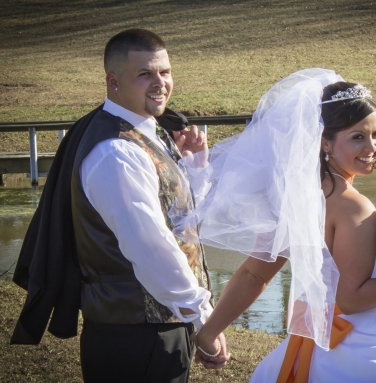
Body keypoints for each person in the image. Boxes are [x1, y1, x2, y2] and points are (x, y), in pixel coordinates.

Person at [184, 69, 376, 381]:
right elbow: (350, 299)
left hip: (308, 346)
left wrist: (209, 333)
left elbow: (254, 274)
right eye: (357, 137)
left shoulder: (298, 200)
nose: (372, 147)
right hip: (364, 348)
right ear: (324, 142)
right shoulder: (354, 208)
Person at [11, 28, 228, 382]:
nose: (160, 83)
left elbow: (175, 224)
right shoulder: (115, 152)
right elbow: (151, 249)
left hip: (161, 328)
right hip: (134, 337)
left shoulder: (143, 133)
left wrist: (195, 171)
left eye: (165, 71)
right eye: (145, 74)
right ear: (113, 82)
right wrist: (203, 320)